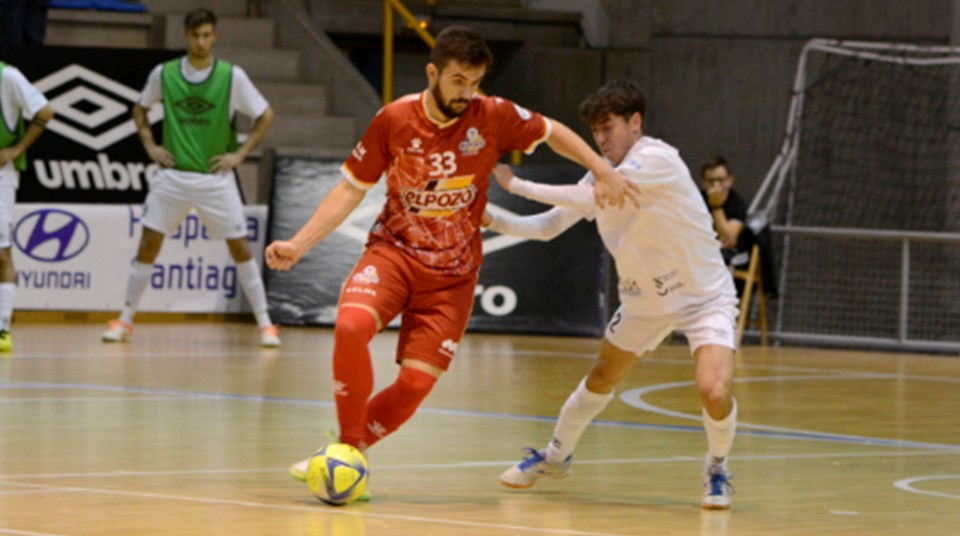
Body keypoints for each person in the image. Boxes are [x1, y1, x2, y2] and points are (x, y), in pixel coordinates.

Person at [264, 26, 638, 496]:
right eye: (458, 80)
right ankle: (349, 445)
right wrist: (299, 244)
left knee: (415, 387)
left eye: (476, 82)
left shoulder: (493, 114)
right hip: (393, 253)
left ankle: (342, 452)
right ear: (433, 72)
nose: (468, 92)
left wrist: (602, 170)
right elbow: (348, 189)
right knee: (351, 327)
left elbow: (553, 131)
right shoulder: (394, 118)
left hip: (452, 278)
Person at [487, 79, 740, 510]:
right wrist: (489, 217)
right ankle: (555, 455)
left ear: (635, 122)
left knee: (713, 391)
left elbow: (602, 192)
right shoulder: (596, 174)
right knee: (601, 377)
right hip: (644, 302)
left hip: (703, 296)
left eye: (608, 128)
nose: (600, 140)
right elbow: (547, 227)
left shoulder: (656, 159)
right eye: (595, 132)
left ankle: (717, 466)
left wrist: (517, 185)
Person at [101, 8, 280, 347]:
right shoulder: (164, 74)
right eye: (196, 35)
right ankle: (124, 320)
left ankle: (265, 324)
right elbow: (140, 109)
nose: (201, 42)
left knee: (240, 246)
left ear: (215, 36)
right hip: (172, 177)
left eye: (207, 35)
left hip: (215, 177)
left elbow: (265, 115)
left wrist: (240, 154)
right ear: (186, 36)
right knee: (148, 244)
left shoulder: (231, 76)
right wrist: (151, 145)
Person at [0, 59, 54, 352]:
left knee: (1, 253)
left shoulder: (8, 76)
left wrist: (15, 149)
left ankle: (2, 327)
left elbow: (45, 111)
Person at [700, 156, 750, 268]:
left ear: (730, 180)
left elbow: (728, 239)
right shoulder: (696, 200)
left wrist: (716, 207)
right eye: (710, 181)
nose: (716, 185)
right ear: (703, 182)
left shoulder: (737, 203)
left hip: (730, 255)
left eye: (720, 180)